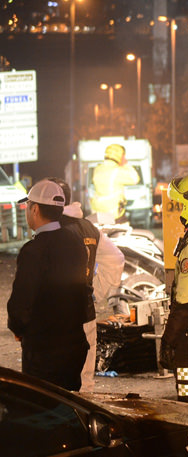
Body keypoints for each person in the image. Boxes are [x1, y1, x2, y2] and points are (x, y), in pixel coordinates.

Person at [8, 180, 91, 390]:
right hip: (74, 345)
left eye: (27, 207)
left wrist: (18, 328)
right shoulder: (75, 242)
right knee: (70, 405)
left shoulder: (33, 250)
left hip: (43, 351)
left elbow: (21, 300)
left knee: (43, 409)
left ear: (34, 209)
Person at [48, 177, 124, 392]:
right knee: (84, 381)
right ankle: (86, 423)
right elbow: (116, 259)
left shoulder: (53, 232)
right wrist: (93, 293)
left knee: (53, 385)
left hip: (57, 317)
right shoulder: (88, 227)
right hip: (85, 313)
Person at [160, 170, 188, 401]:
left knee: (187, 382)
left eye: (182, 204)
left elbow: (185, 298)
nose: (180, 210)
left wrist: (169, 337)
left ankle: (187, 418)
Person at [89, 143, 141, 223]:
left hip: (97, 212)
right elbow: (135, 179)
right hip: (114, 214)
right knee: (124, 231)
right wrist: (125, 164)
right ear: (119, 156)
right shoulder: (117, 171)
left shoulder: (98, 169)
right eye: (123, 156)